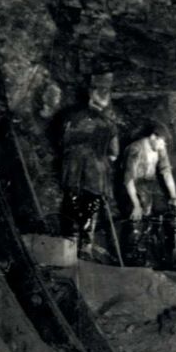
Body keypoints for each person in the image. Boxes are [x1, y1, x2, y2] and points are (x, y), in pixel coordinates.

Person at [57, 86, 121, 260]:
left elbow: (61, 142)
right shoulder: (109, 125)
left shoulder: (70, 116)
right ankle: (85, 247)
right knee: (91, 206)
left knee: (71, 202)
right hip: (96, 171)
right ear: (105, 102)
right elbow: (114, 153)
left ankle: (69, 245)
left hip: (73, 168)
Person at [120, 125, 176, 269]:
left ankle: (167, 256)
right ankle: (134, 257)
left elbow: (166, 171)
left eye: (164, 144)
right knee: (139, 216)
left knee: (167, 211)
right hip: (132, 186)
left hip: (150, 184)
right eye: (160, 142)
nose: (162, 147)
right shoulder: (135, 148)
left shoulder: (160, 147)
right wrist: (135, 204)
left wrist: (174, 196)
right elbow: (128, 179)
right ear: (153, 137)